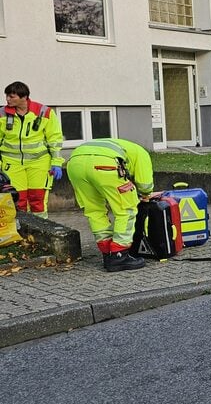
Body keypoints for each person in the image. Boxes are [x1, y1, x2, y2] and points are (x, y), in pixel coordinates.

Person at [66, 138, 155, 272]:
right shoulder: (142, 153)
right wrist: (145, 194)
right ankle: (119, 255)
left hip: (75, 163)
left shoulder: (122, 145)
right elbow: (145, 185)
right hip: (105, 164)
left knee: (94, 210)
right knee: (126, 209)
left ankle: (108, 252)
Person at [0, 81, 64, 218]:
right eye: (7, 96)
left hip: (39, 163)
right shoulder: (2, 114)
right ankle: (21, 234)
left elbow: (54, 139)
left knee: (38, 200)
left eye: (12, 96)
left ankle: (42, 232)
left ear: (24, 97)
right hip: (11, 164)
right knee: (17, 200)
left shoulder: (44, 112)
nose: (7, 99)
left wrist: (56, 162)